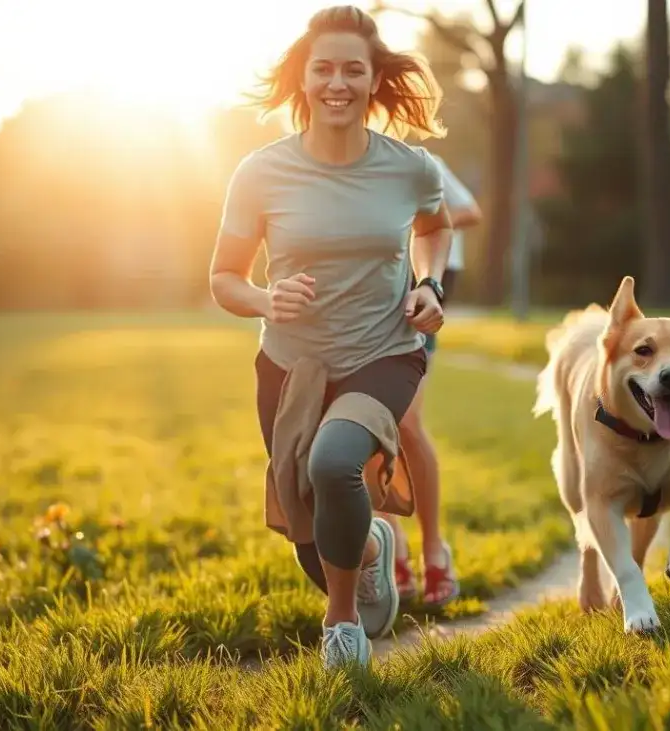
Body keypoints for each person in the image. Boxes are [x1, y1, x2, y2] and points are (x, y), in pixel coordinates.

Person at [208, 5, 454, 670]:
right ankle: (371, 548)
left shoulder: (411, 168)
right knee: (309, 536)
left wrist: (429, 287)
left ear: (375, 80)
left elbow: (435, 229)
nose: (337, 82)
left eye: (354, 69)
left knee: (332, 460)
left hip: (385, 352)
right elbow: (223, 278)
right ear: (303, 78)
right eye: (324, 69)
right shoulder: (260, 172)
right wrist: (264, 296)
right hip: (291, 364)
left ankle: (341, 626)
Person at [380, 155, 481, 607]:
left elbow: (469, 211)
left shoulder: (423, 163)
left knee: (405, 423)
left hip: (425, 282)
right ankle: (393, 544)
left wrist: (413, 216)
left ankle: (434, 546)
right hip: (369, 288)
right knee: (370, 424)